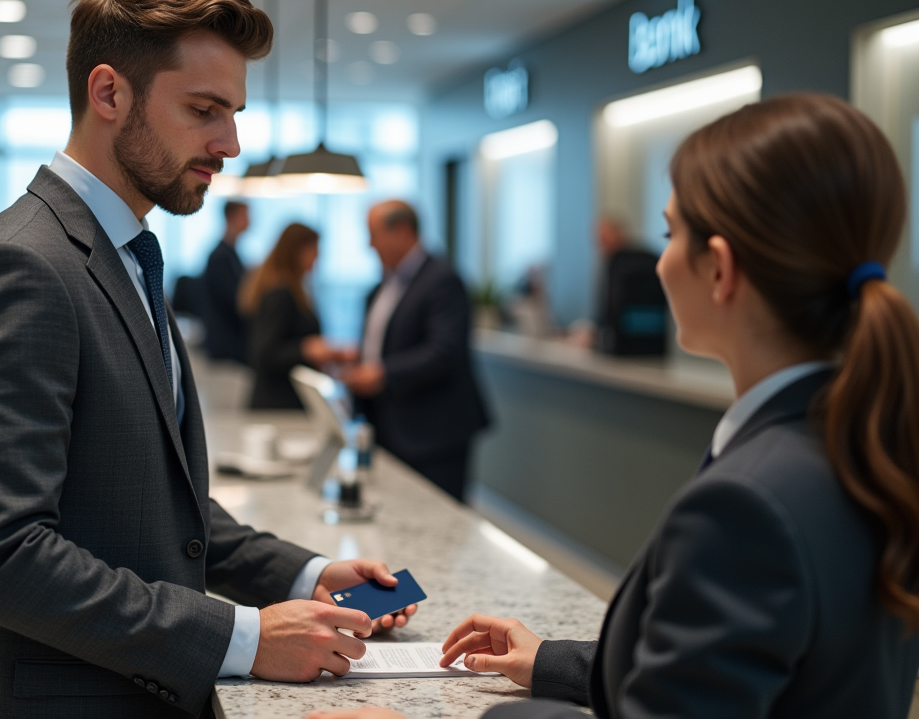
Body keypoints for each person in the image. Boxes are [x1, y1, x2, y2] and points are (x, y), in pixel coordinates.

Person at [311, 94, 919, 719]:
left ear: (721, 270)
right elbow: (718, 672)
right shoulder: (863, 440)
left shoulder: (749, 503)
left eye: (670, 232)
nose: (658, 260)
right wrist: (551, 660)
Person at [0, 0, 414, 719]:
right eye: (206, 109)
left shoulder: (124, 254)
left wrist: (301, 574)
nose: (233, 143)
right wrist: (243, 639)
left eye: (235, 111)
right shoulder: (20, 266)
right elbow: (2, 557)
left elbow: (153, 511)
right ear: (110, 93)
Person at [341, 201, 489, 502]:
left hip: (433, 431)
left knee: (438, 524)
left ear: (403, 231)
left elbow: (445, 350)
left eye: (374, 234)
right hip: (388, 425)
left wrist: (381, 372)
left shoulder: (442, 280)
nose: (369, 245)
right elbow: (382, 344)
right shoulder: (382, 286)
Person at [241, 223, 349, 410]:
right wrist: (306, 349)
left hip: (283, 401)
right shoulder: (281, 294)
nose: (318, 256)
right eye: (314, 249)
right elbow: (264, 354)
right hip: (278, 405)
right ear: (297, 251)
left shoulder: (296, 290)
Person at [593, 216, 668, 356]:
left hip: (625, 347)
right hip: (657, 347)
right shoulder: (651, 258)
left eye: (604, 237)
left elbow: (610, 308)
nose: (600, 243)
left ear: (619, 234)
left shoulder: (618, 263)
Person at [201, 199, 251, 363]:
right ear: (232, 217)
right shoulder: (220, 257)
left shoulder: (232, 254)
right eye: (245, 215)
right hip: (225, 346)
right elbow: (233, 300)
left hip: (233, 342)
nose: (250, 220)